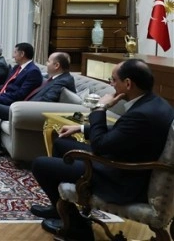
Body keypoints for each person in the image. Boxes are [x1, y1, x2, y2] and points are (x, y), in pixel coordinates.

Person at [30, 59, 174, 241]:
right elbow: (124, 132)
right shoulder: (154, 103)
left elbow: (100, 145)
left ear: (128, 83)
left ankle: (77, 227)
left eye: (113, 80)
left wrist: (100, 108)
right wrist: (81, 128)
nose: (111, 84)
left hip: (119, 177)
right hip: (121, 161)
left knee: (40, 165)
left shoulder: (142, 114)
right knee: (61, 143)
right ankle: (60, 208)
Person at [0, 52, 76, 156]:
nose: (46, 64)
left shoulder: (63, 81)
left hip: (31, 111)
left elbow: (47, 100)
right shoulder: (55, 78)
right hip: (25, 107)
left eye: (48, 61)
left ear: (56, 65)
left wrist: (24, 106)